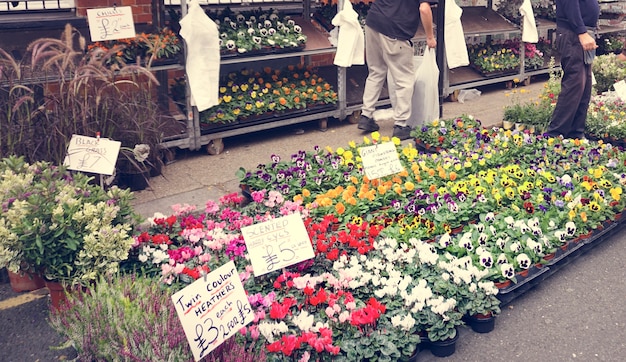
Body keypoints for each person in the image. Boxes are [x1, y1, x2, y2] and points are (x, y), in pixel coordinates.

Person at [357, 0, 437, 140]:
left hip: (373, 22)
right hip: (395, 30)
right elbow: (424, 9)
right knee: (404, 80)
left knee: (376, 71)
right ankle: (401, 125)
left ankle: (366, 116)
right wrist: (430, 37)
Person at [546, 0, 600, 140]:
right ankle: (554, 135)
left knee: (584, 86)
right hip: (573, 34)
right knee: (575, 85)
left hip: (581, 33)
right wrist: (581, 31)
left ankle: (575, 135)